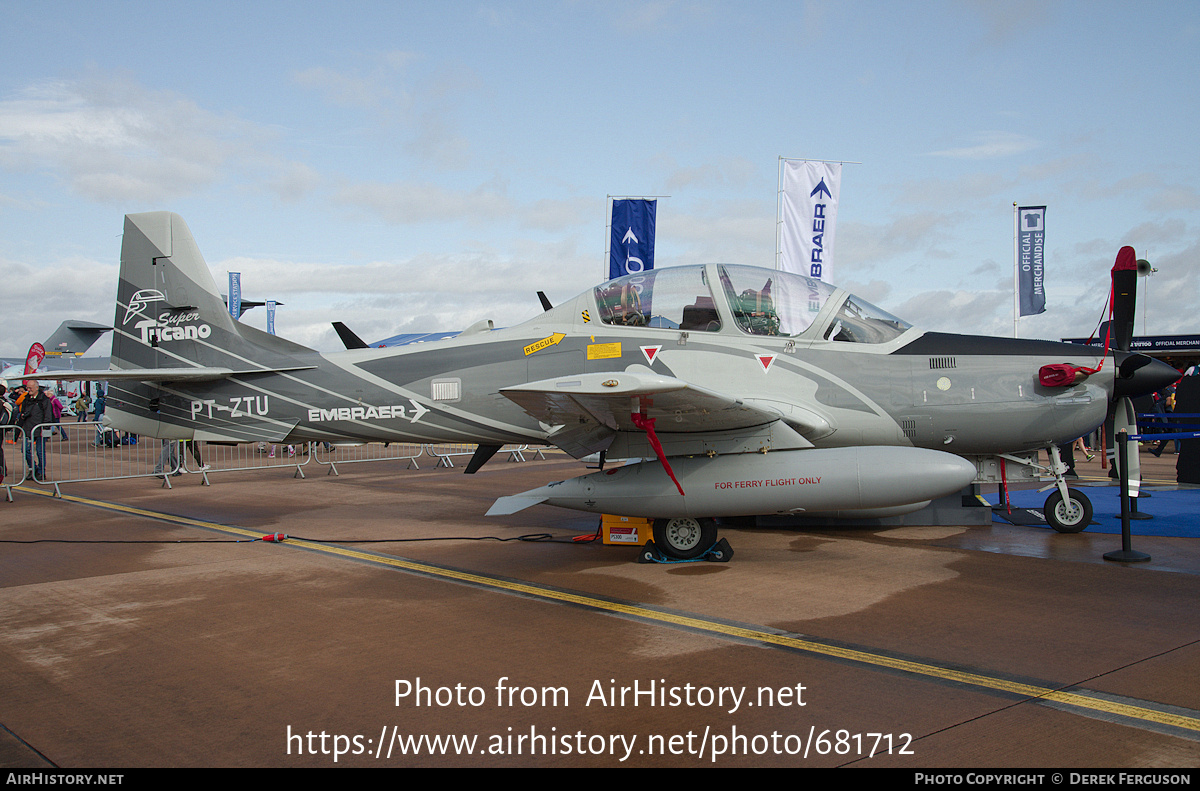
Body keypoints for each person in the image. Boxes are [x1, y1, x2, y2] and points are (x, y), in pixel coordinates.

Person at [16, 380, 50, 479]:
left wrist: (45, 428)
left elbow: (48, 415)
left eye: (30, 388)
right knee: (25, 450)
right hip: (28, 428)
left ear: (36, 388)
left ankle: (41, 472)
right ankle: (33, 468)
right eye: (27, 388)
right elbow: (22, 413)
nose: (28, 390)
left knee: (40, 451)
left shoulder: (44, 399)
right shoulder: (26, 399)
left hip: (39, 429)